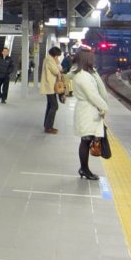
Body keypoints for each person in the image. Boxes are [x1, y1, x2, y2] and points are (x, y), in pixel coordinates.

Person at [70, 48, 108, 180]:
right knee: (85, 141)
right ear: (86, 60)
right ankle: (84, 169)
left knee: (86, 140)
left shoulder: (83, 74)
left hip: (87, 109)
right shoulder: (83, 77)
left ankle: (85, 169)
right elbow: (93, 95)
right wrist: (104, 107)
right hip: (87, 110)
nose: (93, 60)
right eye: (91, 58)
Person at [40, 46, 62, 134]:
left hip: (50, 85)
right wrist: (57, 62)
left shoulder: (48, 59)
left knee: (50, 106)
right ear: (55, 55)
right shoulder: (50, 60)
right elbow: (57, 71)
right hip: (50, 86)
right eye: (58, 55)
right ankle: (48, 127)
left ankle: (47, 125)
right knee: (54, 106)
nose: (58, 57)